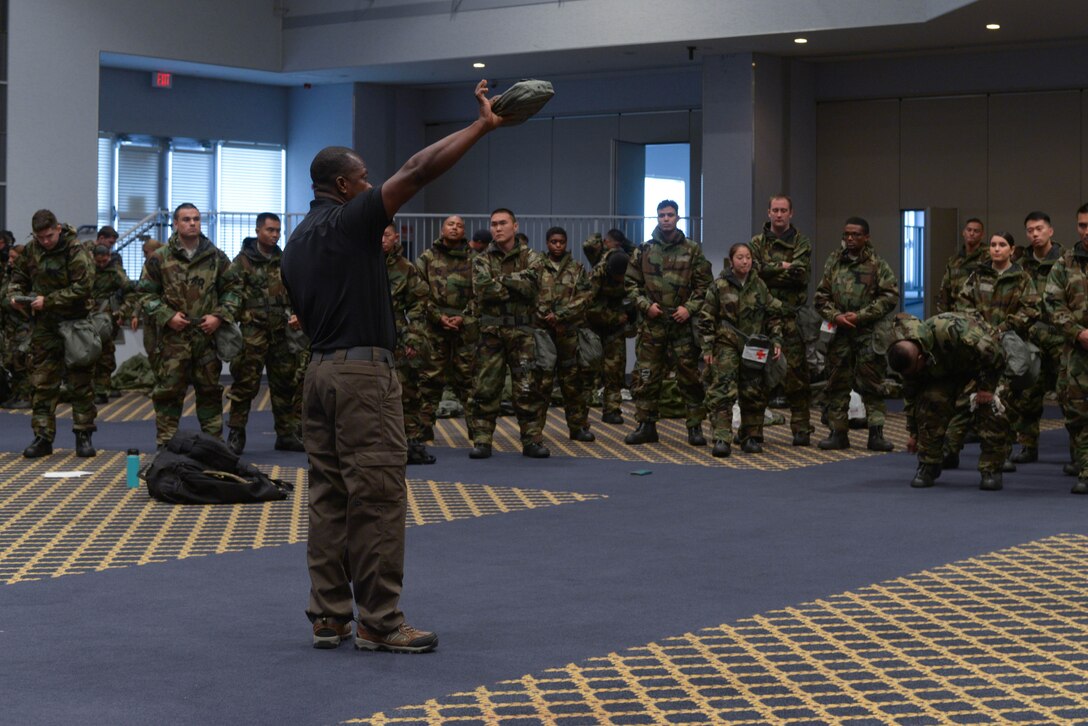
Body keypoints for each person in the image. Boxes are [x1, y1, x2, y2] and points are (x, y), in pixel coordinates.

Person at [281, 79, 505, 654]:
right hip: (361, 379)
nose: (370, 188)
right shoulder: (350, 220)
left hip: (319, 375)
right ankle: (379, 621)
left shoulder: (296, 241)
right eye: (362, 181)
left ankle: (329, 615)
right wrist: (481, 126)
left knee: (329, 498)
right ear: (342, 186)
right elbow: (419, 167)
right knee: (378, 496)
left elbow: (305, 319)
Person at [138, 203, 240, 447]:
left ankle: (214, 446)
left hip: (206, 337)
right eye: (186, 219)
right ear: (175, 224)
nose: (192, 223)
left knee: (209, 393)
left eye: (195, 219)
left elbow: (234, 290)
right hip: (173, 339)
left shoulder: (215, 256)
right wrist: (166, 315)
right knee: (168, 393)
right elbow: (144, 295)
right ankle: (166, 446)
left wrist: (219, 316)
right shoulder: (160, 258)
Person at [942, 232, 1039, 470]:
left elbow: (1031, 309)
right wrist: (983, 329)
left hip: (1009, 345)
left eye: (1002, 245)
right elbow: (963, 305)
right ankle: (950, 449)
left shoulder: (1022, 278)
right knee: (966, 398)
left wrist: (1004, 328)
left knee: (1003, 401)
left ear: (1012, 249)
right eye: (994, 245)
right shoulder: (976, 276)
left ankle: (1000, 454)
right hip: (977, 344)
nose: (996, 249)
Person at [8, 210, 98, 458]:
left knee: (79, 381)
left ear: (58, 228)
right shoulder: (31, 250)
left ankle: (83, 434)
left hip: (75, 322)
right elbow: (17, 278)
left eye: (49, 236)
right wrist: (15, 296)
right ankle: (43, 437)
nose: (46, 241)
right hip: (45, 326)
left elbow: (83, 287)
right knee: (42, 382)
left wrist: (48, 300)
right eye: (40, 237)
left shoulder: (74, 249)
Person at [624, 200, 712, 446]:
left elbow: (705, 285)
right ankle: (646, 425)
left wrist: (689, 308)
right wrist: (645, 306)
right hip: (653, 325)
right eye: (661, 215)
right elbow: (630, 284)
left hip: (681, 325)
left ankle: (695, 428)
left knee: (689, 378)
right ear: (657, 218)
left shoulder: (692, 249)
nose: (665, 219)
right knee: (646, 376)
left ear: (677, 218)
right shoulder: (644, 249)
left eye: (670, 215)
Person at [888, 313, 1007, 490]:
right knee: (929, 402)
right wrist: (913, 433)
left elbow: (997, 354)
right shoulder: (906, 357)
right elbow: (911, 395)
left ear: (920, 357)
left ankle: (991, 469)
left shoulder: (954, 332)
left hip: (984, 365)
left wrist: (987, 388)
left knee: (990, 408)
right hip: (946, 371)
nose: (910, 376)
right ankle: (929, 464)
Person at [468, 208, 552, 459]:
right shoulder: (481, 259)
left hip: (522, 332)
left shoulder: (533, 257)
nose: (497, 228)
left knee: (527, 387)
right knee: (486, 386)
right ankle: (482, 440)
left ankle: (531, 439)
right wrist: (515, 283)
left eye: (503, 223)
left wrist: (501, 281)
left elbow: (532, 286)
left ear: (515, 226)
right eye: (493, 224)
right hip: (491, 332)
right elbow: (483, 289)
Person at [814, 216, 899, 451]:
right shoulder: (834, 262)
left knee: (872, 383)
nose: (850, 239)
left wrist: (860, 316)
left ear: (866, 237)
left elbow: (889, 297)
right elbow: (821, 297)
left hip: (868, 333)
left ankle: (876, 434)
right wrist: (836, 316)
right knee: (836, 382)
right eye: (846, 235)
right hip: (839, 332)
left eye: (855, 235)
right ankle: (838, 432)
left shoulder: (877, 265)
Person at [225, 213, 305, 455]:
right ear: (258, 230)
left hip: (282, 332)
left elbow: (297, 291)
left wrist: (297, 313)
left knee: (285, 384)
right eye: (270, 230)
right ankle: (236, 433)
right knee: (245, 385)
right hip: (253, 333)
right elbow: (232, 294)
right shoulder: (242, 262)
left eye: (278, 231)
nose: (274, 235)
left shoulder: (285, 260)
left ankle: (286, 434)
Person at [699, 242, 784, 457]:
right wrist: (707, 348)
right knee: (723, 391)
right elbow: (707, 317)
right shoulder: (719, 285)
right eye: (740, 257)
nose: (744, 261)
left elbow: (773, 315)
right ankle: (721, 437)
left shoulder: (759, 286)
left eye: (748, 257)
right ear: (731, 260)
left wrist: (776, 340)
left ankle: (751, 436)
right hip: (726, 344)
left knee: (753, 391)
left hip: (753, 346)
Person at [750, 195, 813, 446]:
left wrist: (770, 269)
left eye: (783, 210)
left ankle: (801, 429)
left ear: (791, 213)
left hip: (790, 318)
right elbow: (752, 272)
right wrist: (783, 266)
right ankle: (753, 430)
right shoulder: (756, 242)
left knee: (796, 375)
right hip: (762, 319)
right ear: (768, 213)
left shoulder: (801, 241)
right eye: (775, 210)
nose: (779, 214)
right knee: (756, 375)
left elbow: (800, 274)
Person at [1007, 211, 1065, 465]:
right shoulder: (1021, 263)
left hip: (1062, 337)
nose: (1035, 234)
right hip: (1031, 336)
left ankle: (1078, 452)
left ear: (1050, 231)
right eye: (1030, 230)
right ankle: (1028, 446)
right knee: (1028, 393)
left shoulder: (1066, 260)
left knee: (1068, 395)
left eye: (1039, 229)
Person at [416, 214, 479, 445]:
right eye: (450, 224)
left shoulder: (475, 259)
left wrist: (463, 316)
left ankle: (476, 428)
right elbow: (418, 291)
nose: (455, 228)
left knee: (469, 379)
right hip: (434, 327)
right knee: (430, 379)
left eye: (460, 225)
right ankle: (424, 427)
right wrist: (437, 316)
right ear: (442, 229)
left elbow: (481, 293)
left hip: (465, 328)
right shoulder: (427, 257)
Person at [1044, 203, 1088, 494]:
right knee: (1077, 412)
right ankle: (1085, 467)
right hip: (1077, 351)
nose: (1087, 232)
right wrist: (1078, 332)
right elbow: (1052, 303)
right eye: (1082, 225)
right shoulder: (1065, 263)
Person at [535, 226, 594, 441]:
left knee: (573, 382)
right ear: (547, 243)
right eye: (553, 241)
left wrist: (560, 315)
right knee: (541, 383)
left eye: (561, 241)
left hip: (568, 333)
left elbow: (585, 296)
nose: (558, 245)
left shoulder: (576, 268)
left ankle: (577, 427)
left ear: (566, 243)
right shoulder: (537, 267)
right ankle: (534, 431)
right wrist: (546, 316)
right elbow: (530, 295)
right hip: (543, 333)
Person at [382, 223, 434, 464]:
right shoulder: (359, 262)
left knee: (407, 390)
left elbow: (418, 304)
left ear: (395, 237)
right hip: (362, 335)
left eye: (387, 235)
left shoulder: (406, 268)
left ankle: (411, 442)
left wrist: (413, 336)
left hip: (397, 335)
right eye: (378, 234)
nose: (382, 239)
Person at [585, 233, 634, 425]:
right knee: (589, 368)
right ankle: (582, 412)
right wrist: (615, 317)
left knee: (615, 369)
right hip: (594, 325)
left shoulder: (630, 269)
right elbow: (588, 306)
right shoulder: (598, 274)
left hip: (616, 327)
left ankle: (612, 409)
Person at [89, 243, 134, 403]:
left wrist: (122, 312)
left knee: (105, 353)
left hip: (108, 318)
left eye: (104, 260)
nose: (102, 264)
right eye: (98, 261)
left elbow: (131, 294)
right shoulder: (88, 271)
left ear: (109, 256)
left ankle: (102, 390)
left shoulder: (116, 272)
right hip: (89, 316)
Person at [1, 245, 32, 408]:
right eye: (10, 258)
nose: (10, 261)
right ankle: (17, 393)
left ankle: (26, 396)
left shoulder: (28, 276)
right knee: (11, 361)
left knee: (22, 359)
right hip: (11, 326)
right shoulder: (9, 276)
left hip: (24, 325)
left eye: (14, 258)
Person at [936, 218, 985, 313]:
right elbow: (945, 291)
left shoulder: (989, 258)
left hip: (980, 315)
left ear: (982, 235)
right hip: (957, 314)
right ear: (963, 233)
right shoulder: (954, 260)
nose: (971, 233)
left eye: (976, 231)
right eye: (969, 230)